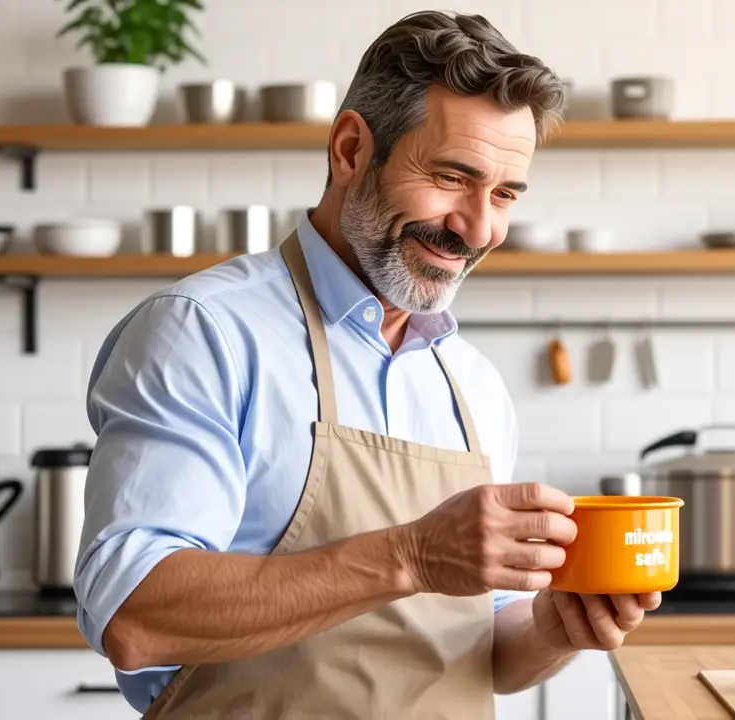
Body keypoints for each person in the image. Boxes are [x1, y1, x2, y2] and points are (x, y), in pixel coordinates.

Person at [73, 10, 660, 718]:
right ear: (351, 149)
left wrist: (554, 628)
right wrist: (411, 557)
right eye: (451, 176)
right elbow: (135, 616)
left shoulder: (470, 383)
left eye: (503, 194)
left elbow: (486, 646)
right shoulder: (206, 334)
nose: (477, 228)